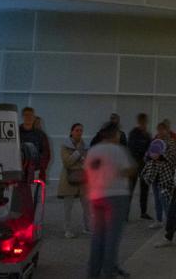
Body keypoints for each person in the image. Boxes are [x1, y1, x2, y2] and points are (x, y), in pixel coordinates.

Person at [85, 123, 135, 279]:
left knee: (98, 235)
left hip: (96, 196)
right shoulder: (119, 150)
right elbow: (129, 170)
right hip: (116, 195)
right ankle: (109, 271)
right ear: (115, 134)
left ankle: (93, 272)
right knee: (112, 235)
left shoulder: (93, 150)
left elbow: (87, 171)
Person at [141, 122, 176, 229]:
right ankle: (159, 220)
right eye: (158, 130)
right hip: (154, 174)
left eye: (162, 129)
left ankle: (170, 221)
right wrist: (149, 156)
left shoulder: (171, 142)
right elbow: (147, 155)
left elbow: (172, 158)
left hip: (165, 175)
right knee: (157, 199)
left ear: (167, 130)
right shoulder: (154, 142)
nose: (160, 132)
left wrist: (160, 156)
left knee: (164, 199)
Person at [58, 123, 92, 238]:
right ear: (71, 131)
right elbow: (67, 162)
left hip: (83, 179)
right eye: (77, 130)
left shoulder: (85, 146)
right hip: (69, 179)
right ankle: (67, 230)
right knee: (68, 207)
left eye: (81, 130)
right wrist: (78, 154)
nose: (79, 132)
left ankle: (87, 227)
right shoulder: (65, 146)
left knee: (86, 205)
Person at [128, 113, 152, 220]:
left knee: (144, 189)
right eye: (142, 121)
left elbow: (151, 148)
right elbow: (131, 148)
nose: (144, 124)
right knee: (130, 189)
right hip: (134, 164)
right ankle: (125, 213)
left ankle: (143, 212)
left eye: (145, 122)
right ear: (139, 122)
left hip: (144, 165)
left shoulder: (147, 134)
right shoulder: (134, 133)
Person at [19, 107, 51, 181]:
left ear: (34, 117)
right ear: (22, 117)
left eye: (30, 115)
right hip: (18, 172)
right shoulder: (16, 134)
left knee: (34, 192)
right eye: (26, 115)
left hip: (35, 172)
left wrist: (40, 168)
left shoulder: (41, 135)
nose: (28, 117)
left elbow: (46, 154)